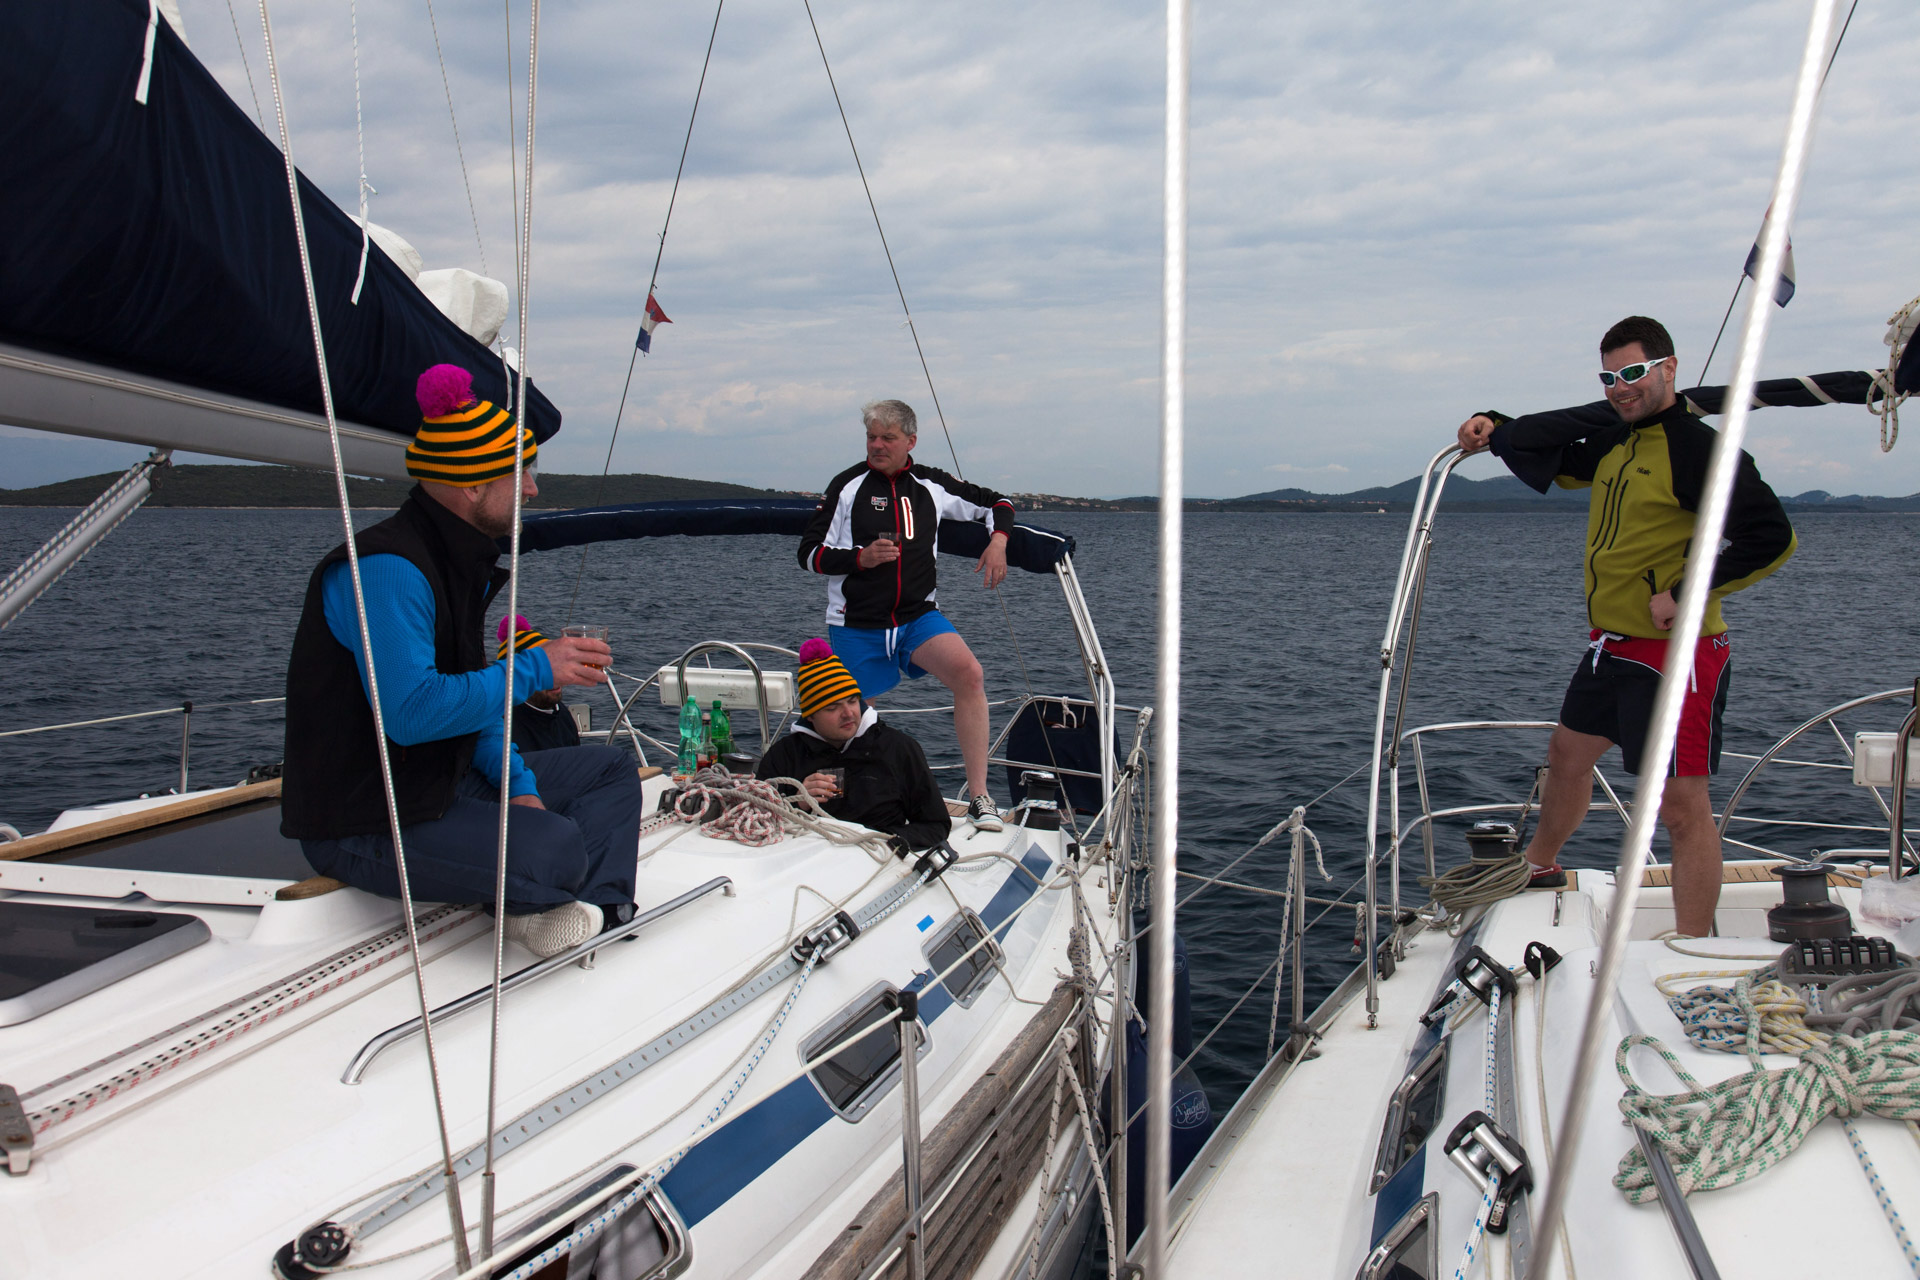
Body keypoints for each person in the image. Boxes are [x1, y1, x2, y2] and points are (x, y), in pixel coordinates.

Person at [281, 364, 644, 958]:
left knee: (609, 770)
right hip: (367, 819)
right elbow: (412, 714)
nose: (532, 489)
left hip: (442, 784)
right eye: (520, 472)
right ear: (473, 486)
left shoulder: (453, 559)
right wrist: (535, 668)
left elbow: (471, 698)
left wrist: (518, 786)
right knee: (553, 846)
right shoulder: (388, 570)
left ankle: (596, 912)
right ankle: (540, 894)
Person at [1456, 316, 1797, 937]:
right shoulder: (1617, 440)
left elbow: (1772, 537)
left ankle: (1694, 946)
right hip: (1610, 647)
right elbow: (1558, 462)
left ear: (1670, 368)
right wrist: (1495, 424)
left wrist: (1687, 593)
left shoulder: (1700, 450)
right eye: (1609, 378)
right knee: (1567, 754)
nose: (1621, 387)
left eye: (1633, 373)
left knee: (1681, 808)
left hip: (1676, 655)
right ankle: (1539, 865)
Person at [798, 399, 1013, 832]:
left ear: (910, 441)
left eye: (887, 438)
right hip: (857, 622)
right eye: (871, 437)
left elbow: (998, 502)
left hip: (917, 617)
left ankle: (980, 796)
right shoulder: (847, 486)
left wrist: (999, 541)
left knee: (970, 674)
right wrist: (859, 558)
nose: (877, 445)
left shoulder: (931, 484)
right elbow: (809, 554)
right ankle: (844, 807)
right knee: (849, 719)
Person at [756, 639, 952, 854]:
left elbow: (935, 825)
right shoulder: (783, 756)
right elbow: (755, 819)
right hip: (806, 858)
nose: (848, 714)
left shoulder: (898, 749)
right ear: (810, 716)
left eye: (852, 701)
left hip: (880, 858)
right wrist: (799, 802)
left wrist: (887, 843)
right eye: (833, 708)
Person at [497, 616, 583, 753]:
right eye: (542, 668)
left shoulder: (562, 714)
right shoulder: (501, 728)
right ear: (517, 677)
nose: (554, 675)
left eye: (555, 665)